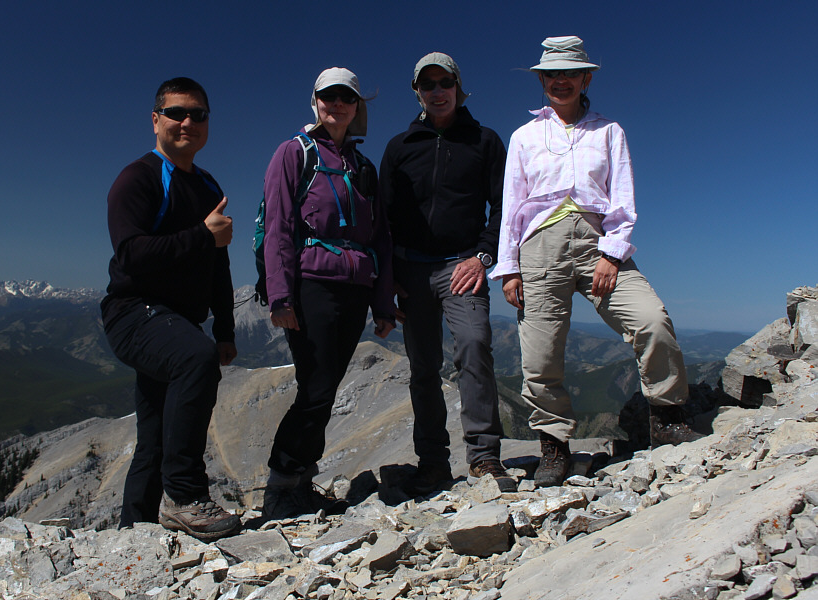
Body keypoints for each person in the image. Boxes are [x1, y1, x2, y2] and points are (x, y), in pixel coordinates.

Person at [491, 36, 703, 487]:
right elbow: (512, 204)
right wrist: (509, 267)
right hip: (539, 248)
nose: (559, 81)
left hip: (597, 242)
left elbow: (622, 198)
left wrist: (611, 251)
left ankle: (666, 417)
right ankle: (553, 447)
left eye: (569, 73)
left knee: (650, 319)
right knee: (540, 353)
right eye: (551, 74)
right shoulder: (524, 137)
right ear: (542, 80)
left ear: (586, 78)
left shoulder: (610, 131)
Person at [101, 77, 241, 540]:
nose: (187, 122)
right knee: (193, 358)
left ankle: (132, 535)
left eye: (198, 115)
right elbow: (131, 255)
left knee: (155, 433)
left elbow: (217, 263)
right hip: (133, 311)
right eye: (177, 113)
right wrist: (203, 234)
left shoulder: (206, 186)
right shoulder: (137, 178)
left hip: (176, 320)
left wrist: (224, 327)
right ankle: (184, 495)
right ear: (156, 119)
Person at [261, 67, 396, 519]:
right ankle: (282, 482)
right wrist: (280, 298)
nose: (336, 105)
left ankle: (299, 479)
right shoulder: (293, 153)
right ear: (315, 101)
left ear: (357, 107)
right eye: (328, 97)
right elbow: (279, 225)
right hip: (311, 286)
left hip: (355, 290)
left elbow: (379, 239)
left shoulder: (363, 167)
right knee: (316, 387)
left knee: (326, 386)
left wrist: (383, 303)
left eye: (346, 98)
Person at [379, 52, 516, 495]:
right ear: (417, 91)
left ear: (458, 87)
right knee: (423, 367)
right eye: (428, 84)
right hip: (411, 270)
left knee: (474, 344)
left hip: (464, 266)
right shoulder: (400, 147)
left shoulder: (485, 140)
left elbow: (504, 206)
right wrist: (387, 275)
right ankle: (433, 462)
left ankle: (483, 456)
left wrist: (483, 257)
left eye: (445, 83)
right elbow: (382, 216)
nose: (437, 91)